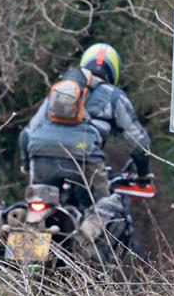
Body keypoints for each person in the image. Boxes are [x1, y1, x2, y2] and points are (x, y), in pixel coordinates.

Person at [19, 43, 152, 206]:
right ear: (114, 72)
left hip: (41, 155)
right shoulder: (114, 96)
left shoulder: (60, 91)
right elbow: (138, 142)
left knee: (38, 210)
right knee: (104, 212)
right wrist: (143, 172)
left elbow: (25, 136)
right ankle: (93, 230)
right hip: (84, 155)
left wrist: (27, 165)